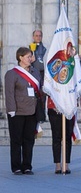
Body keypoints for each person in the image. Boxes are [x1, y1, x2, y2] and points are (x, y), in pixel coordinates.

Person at [4, 46, 42, 175]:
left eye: (31, 56)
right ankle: (16, 167)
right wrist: (11, 110)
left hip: (32, 111)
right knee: (16, 140)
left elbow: (40, 90)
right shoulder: (12, 73)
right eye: (28, 56)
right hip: (17, 112)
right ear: (20, 57)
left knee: (29, 140)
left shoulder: (35, 72)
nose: (30, 59)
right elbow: (9, 93)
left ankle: (27, 166)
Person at [47, 97, 74, 174]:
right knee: (56, 137)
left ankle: (66, 164)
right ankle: (58, 164)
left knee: (68, 137)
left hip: (69, 107)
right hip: (54, 108)